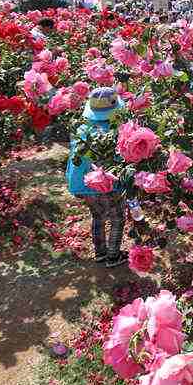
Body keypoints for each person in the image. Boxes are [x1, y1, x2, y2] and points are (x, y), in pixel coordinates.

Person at [65, 88, 128, 268]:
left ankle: (100, 253)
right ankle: (113, 256)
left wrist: (75, 186)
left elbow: (74, 161)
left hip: (86, 186)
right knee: (117, 219)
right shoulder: (115, 131)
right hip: (110, 186)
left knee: (97, 217)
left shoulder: (83, 129)